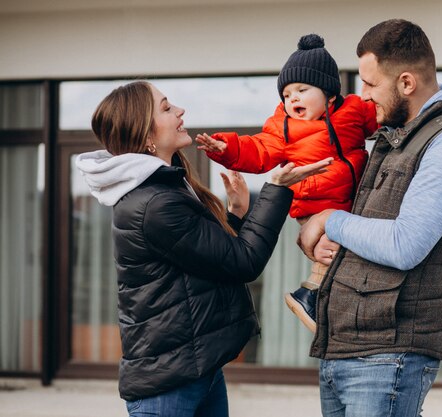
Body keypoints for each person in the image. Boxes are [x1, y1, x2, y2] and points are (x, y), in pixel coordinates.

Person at [74, 80, 331, 417]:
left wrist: (238, 215)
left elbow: (213, 261)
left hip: (195, 370)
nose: (180, 111)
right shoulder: (155, 204)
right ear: (146, 136)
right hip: (168, 386)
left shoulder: (163, 189)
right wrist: (275, 189)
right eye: (166, 108)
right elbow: (243, 263)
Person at [298, 19, 442, 417]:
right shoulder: (397, 135)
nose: (363, 96)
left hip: (389, 358)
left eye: (370, 84)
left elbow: (406, 245)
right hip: (349, 350)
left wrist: (330, 219)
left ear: (406, 83)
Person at [196, 34, 377, 332]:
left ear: (330, 94)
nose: (292, 98)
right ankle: (309, 297)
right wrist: (228, 149)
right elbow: (258, 149)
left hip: (348, 202)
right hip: (313, 205)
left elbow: (384, 115)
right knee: (331, 249)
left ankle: (321, 299)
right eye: (287, 93)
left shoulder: (354, 111)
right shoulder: (284, 128)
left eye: (302, 90)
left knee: (348, 252)